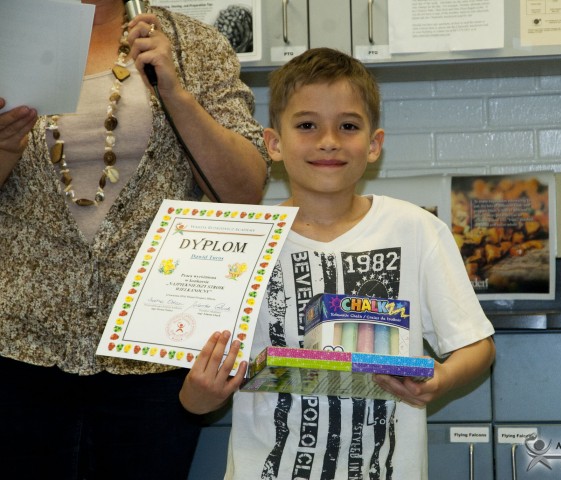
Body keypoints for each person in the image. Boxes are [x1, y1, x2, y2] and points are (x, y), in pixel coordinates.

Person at [179, 47, 496, 479]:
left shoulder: (416, 230)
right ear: (274, 144)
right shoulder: (240, 243)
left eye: (348, 126)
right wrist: (202, 392)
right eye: (307, 125)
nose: (328, 140)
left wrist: (442, 379)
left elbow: (478, 347)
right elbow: (195, 401)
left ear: (374, 144)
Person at [0, 0, 269, 478]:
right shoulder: (9, 36)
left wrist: (176, 94)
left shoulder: (192, 45)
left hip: (154, 355)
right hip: (19, 348)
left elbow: (244, 192)